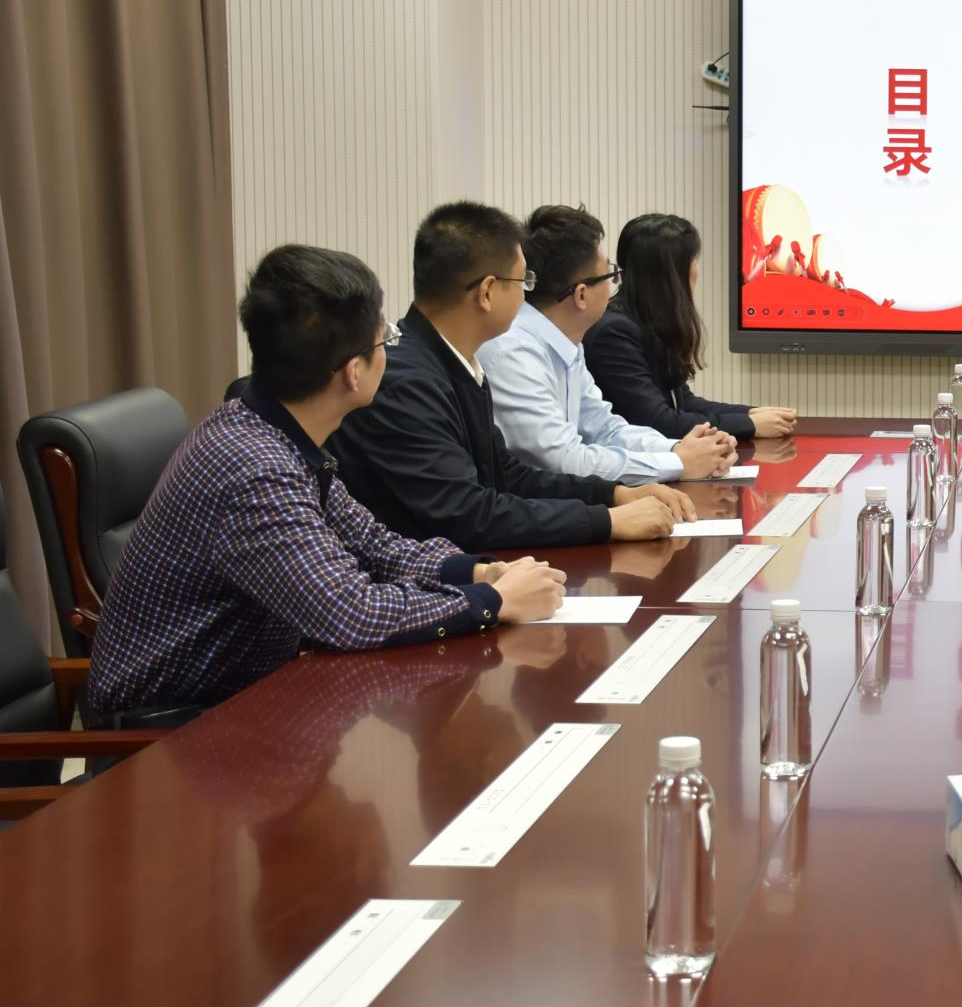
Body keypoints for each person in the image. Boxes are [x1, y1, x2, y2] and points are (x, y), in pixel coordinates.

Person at [85, 246, 568, 724]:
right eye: (386, 339)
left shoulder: (272, 431)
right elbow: (350, 612)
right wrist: (492, 604)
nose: (392, 350)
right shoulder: (254, 468)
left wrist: (479, 573)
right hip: (172, 732)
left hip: (249, 700)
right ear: (354, 372)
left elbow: (373, 545)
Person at [332, 202, 691, 549]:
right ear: (487, 292)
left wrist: (613, 494)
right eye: (524, 281)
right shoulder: (407, 381)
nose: (527, 295)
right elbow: (468, 515)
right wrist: (606, 521)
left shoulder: (456, 362)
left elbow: (507, 473)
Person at [481, 205, 736, 483]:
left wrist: (682, 449)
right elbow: (562, 460)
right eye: (610, 275)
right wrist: (678, 463)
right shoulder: (514, 353)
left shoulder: (567, 343)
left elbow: (606, 429)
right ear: (581, 295)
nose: (615, 283)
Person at [583, 212, 797, 441]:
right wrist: (749, 424)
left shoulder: (647, 321)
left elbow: (683, 402)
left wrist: (751, 413)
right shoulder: (614, 333)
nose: (698, 270)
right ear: (673, 273)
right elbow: (658, 422)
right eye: (694, 260)